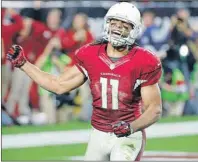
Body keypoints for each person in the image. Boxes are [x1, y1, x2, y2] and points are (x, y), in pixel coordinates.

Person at [6, 2, 162, 161]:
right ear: (107, 24)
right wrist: (23, 64)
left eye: (123, 25)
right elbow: (58, 85)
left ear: (134, 30)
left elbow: (155, 109)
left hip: (128, 135)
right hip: (98, 133)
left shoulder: (144, 60)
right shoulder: (91, 54)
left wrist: (131, 127)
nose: (117, 28)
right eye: (114, 23)